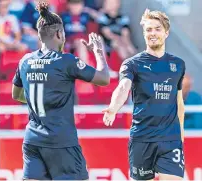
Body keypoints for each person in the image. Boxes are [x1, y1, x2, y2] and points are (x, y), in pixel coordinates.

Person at [12, 1, 109, 180]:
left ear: (39, 37)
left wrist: (39, 99)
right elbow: (104, 79)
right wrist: (98, 52)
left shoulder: (25, 61)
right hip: (61, 141)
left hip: (32, 140)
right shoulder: (66, 61)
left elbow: (16, 95)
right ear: (59, 33)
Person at [103, 9, 186, 180]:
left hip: (170, 140)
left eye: (157, 28)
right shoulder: (132, 64)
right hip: (142, 139)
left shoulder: (177, 64)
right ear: (143, 33)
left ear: (166, 32)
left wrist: (181, 135)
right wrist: (113, 108)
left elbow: (178, 102)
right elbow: (123, 87)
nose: (153, 33)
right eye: (149, 29)